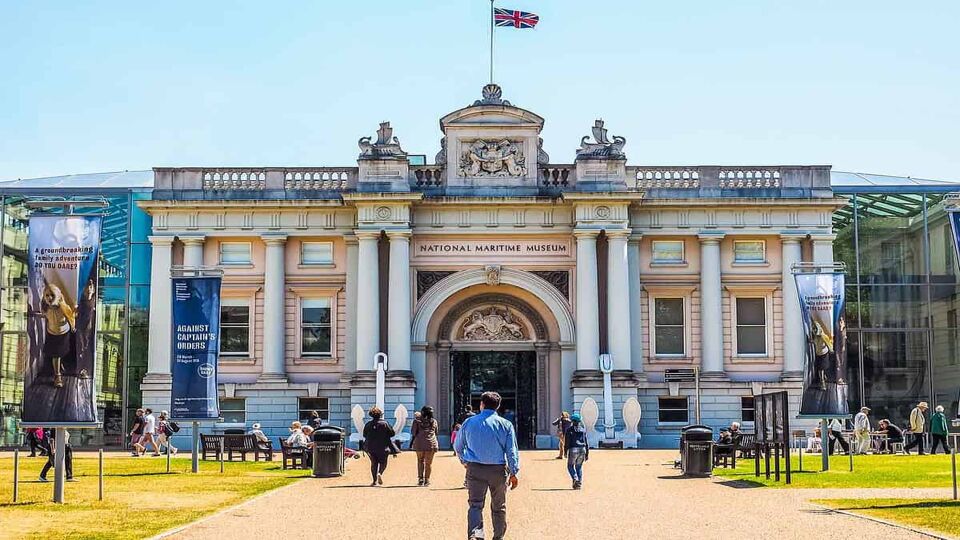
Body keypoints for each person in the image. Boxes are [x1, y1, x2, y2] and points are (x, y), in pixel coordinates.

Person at [454, 391, 520, 540]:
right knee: (499, 507)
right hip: (498, 470)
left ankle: (476, 534)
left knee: (475, 505)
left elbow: (458, 446)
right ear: (498, 406)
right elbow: (511, 451)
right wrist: (514, 472)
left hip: (475, 468)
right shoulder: (506, 424)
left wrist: (465, 461)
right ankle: (498, 536)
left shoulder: (469, 422)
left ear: (481, 404)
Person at [40, 283, 75, 388]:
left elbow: (70, 317)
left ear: (57, 295)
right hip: (52, 333)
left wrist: (73, 326)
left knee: (61, 353)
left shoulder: (63, 307)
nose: (50, 298)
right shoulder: (45, 307)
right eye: (47, 295)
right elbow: (44, 316)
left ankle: (59, 367)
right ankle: (57, 376)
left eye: (52, 295)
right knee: (56, 355)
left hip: (63, 333)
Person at [362, 406, 396, 487]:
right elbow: (392, 433)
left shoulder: (368, 424)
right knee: (383, 462)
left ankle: (374, 481)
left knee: (374, 463)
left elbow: (364, 434)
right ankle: (380, 473)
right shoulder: (385, 423)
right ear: (380, 415)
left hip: (370, 447)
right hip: (383, 446)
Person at [411, 406, 440, 486]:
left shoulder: (416, 421)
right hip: (431, 444)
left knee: (420, 461)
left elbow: (413, 432)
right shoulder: (434, 421)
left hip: (419, 443)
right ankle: (427, 480)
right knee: (428, 463)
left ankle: (420, 479)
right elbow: (436, 432)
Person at [564, 413, 589, 490]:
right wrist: (587, 453)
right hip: (582, 449)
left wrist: (565, 451)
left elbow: (567, 442)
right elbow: (586, 442)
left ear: (572, 421)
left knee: (570, 466)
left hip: (573, 449)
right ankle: (578, 484)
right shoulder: (583, 430)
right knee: (579, 467)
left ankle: (575, 479)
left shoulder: (569, 430)